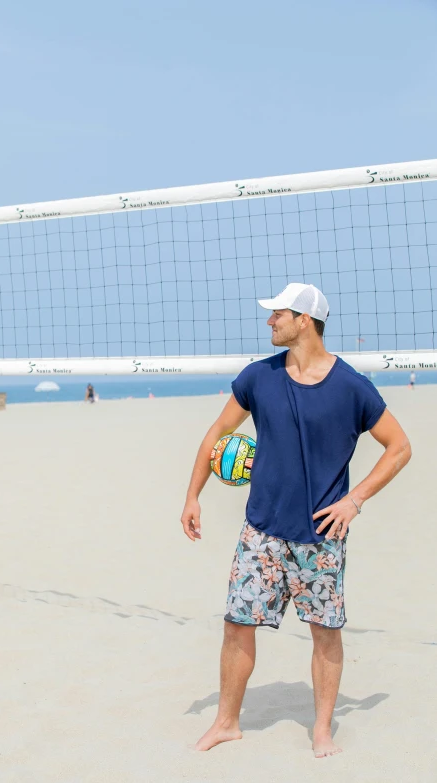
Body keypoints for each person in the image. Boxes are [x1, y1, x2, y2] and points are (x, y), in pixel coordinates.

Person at [180, 283, 411, 758]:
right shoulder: (257, 377)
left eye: (278, 314)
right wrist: (192, 495)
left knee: (325, 633)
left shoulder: (351, 386)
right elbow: (217, 432)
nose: (270, 321)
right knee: (236, 625)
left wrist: (355, 499)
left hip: (321, 537)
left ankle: (322, 730)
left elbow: (400, 447)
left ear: (305, 319)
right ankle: (226, 723)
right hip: (260, 531)